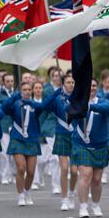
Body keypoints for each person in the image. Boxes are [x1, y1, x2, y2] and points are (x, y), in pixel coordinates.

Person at [2, 82, 55, 206]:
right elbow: (4, 108)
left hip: (31, 139)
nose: (26, 91)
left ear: (31, 91)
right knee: (21, 167)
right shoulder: (15, 103)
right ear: (21, 91)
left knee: (31, 172)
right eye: (24, 89)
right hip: (17, 139)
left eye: (28, 89)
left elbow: (43, 106)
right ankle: (20, 195)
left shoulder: (34, 105)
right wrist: (15, 97)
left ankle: (26, 191)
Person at [70, 79, 109, 218]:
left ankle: (96, 204)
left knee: (97, 179)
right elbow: (66, 110)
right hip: (81, 144)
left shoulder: (103, 101)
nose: (91, 88)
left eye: (94, 85)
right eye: (89, 85)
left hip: (99, 145)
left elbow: (107, 109)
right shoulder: (78, 102)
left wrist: (88, 106)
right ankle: (83, 206)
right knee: (86, 174)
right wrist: (76, 102)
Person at [45, 75, 77, 211]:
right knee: (64, 169)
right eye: (68, 82)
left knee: (75, 171)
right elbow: (44, 106)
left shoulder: (78, 98)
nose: (71, 84)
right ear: (63, 84)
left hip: (75, 136)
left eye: (72, 82)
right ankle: (64, 199)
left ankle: (71, 193)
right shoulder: (58, 98)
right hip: (62, 134)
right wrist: (56, 93)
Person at [43, 67, 62, 195]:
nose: (57, 78)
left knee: (64, 159)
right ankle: (55, 184)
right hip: (50, 126)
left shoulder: (66, 90)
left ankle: (64, 184)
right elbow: (45, 105)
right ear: (51, 77)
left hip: (64, 127)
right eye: (55, 75)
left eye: (59, 76)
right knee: (55, 158)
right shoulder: (47, 90)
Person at [0, 74, 15, 185]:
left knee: (13, 154)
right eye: (7, 81)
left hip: (15, 125)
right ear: (3, 82)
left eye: (11, 81)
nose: (10, 83)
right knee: (4, 153)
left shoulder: (18, 93)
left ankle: (11, 174)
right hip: (4, 125)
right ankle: (4, 175)